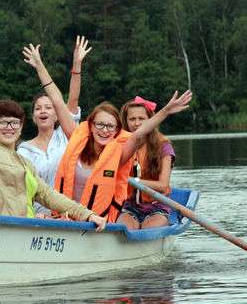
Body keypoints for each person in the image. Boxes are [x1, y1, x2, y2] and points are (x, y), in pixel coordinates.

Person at [22, 44, 192, 223]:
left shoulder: (119, 155)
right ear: (91, 126)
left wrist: (165, 111)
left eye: (110, 127)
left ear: (117, 130)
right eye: (100, 125)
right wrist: (40, 66)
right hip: (65, 218)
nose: (104, 130)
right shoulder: (76, 136)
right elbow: (56, 99)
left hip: (98, 222)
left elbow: (139, 133)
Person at [0, 88, 107, 231]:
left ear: (20, 128)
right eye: (3, 123)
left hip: (25, 229)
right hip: (0, 229)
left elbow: (49, 196)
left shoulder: (25, 162)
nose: (9, 128)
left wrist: (87, 214)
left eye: (14, 123)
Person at [18, 36, 91, 215]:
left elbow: (71, 99)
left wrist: (77, 63)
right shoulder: (23, 150)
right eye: (38, 108)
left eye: (48, 107)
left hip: (69, 210)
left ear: (57, 115)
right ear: (33, 117)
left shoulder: (66, 135)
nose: (43, 111)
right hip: (39, 213)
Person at [118, 97, 176, 229]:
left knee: (149, 229)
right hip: (129, 206)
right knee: (123, 228)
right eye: (132, 119)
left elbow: (162, 186)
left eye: (141, 118)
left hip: (157, 206)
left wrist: (131, 180)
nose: (137, 123)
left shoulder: (164, 146)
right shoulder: (121, 144)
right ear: (126, 122)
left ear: (150, 120)